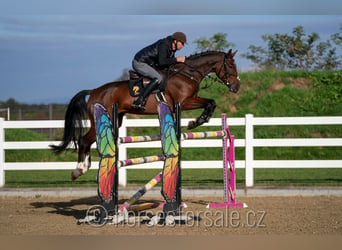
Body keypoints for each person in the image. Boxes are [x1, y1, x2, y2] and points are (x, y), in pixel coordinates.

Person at [131, 31, 187, 110]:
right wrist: (177, 59)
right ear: (175, 41)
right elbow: (162, 62)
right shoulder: (164, 45)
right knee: (158, 78)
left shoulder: (172, 49)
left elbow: (167, 63)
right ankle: (139, 100)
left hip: (149, 64)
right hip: (140, 63)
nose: (183, 46)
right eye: (182, 43)